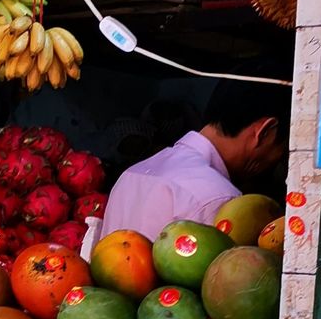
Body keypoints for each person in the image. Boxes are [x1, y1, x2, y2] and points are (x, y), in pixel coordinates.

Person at [99, 75, 291, 241]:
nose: (278, 161)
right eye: (283, 149)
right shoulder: (218, 197)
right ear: (265, 132)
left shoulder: (132, 173)